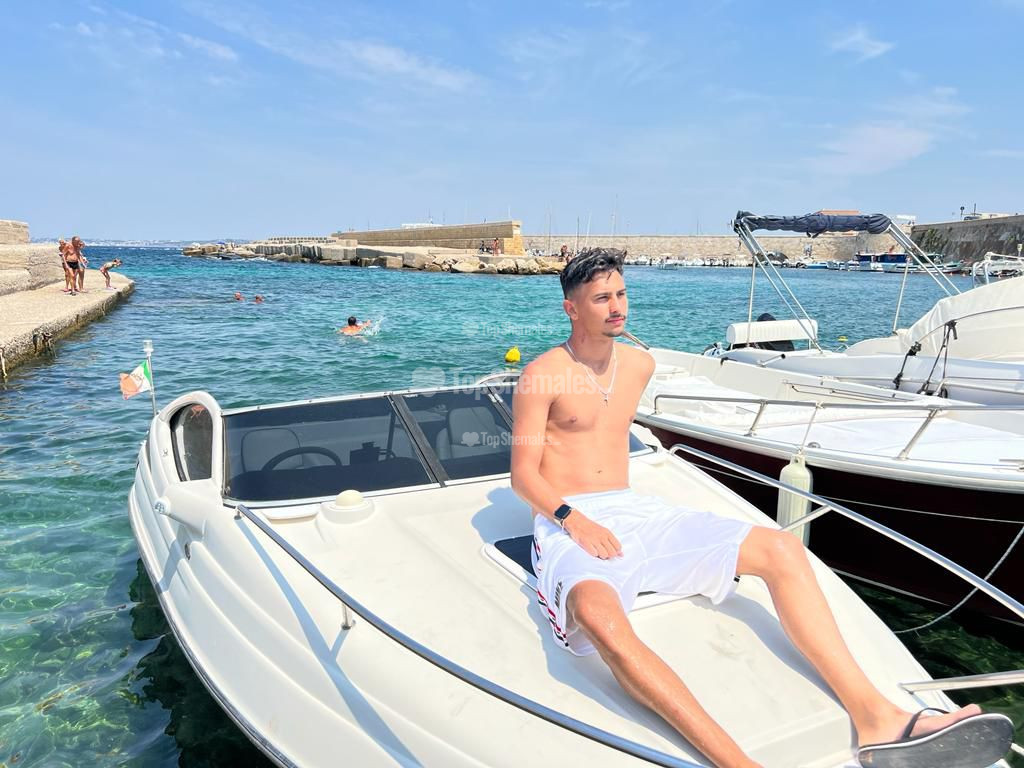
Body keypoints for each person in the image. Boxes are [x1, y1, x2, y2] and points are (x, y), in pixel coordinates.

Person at [509, 248, 1010, 768]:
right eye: (601, 298)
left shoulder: (640, 364)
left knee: (780, 549)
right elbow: (523, 476)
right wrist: (573, 520)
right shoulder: (543, 376)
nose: (617, 307)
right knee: (596, 615)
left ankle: (877, 717)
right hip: (569, 517)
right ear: (572, 308)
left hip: (634, 510)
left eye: (620, 294)